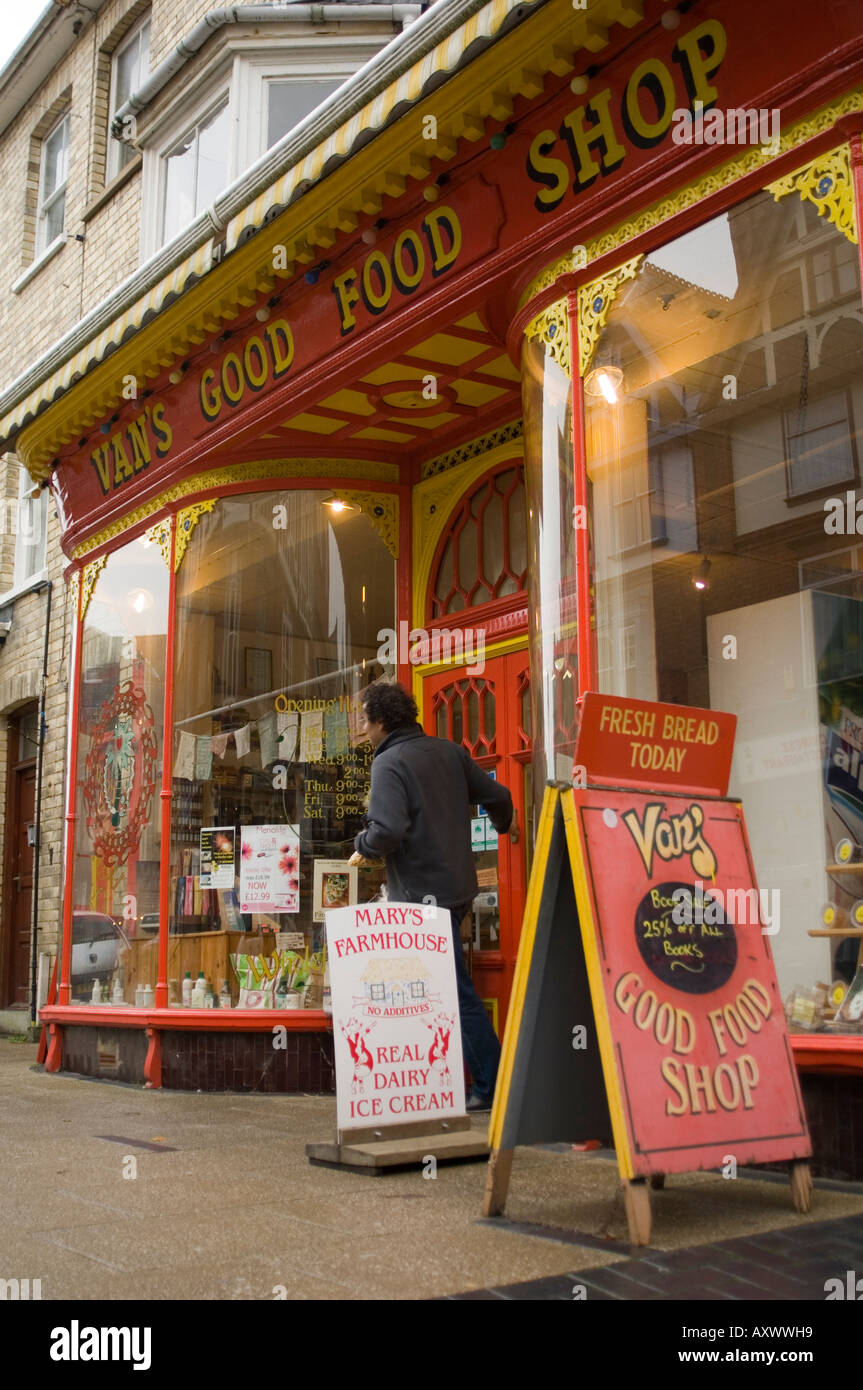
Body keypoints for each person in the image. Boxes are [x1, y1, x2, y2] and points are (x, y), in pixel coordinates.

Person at [350, 681, 513, 1111]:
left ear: (381, 721)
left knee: (451, 991)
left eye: (365, 721)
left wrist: (362, 845)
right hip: (457, 890)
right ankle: (430, 1081)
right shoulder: (449, 752)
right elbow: (499, 796)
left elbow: (386, 830)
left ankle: (493, 1085)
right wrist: (504, 827)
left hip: (421, 898)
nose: (363, 730)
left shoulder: (388, 762)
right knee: (433, 987)